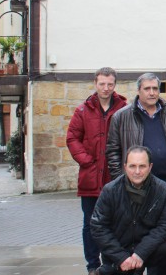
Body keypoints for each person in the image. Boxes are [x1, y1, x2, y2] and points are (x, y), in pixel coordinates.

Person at [66, 67, 129, 275]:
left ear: (115, 85)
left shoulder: (123, 108)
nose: (106, 88)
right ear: (95, 83)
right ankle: (92, 265)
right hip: (91, 178)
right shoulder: (83, 110)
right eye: (102, 84)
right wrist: (86, 161)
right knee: (90, 224)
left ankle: (110, 261)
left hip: (114, 176)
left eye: (110, 84)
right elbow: (72, 138)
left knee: (115, 223)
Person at [91, 146, 166, 274]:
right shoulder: (110, 191)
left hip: (147, 248)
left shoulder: (164, 190)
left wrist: (140, 253)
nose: (137, 171)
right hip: (118, 250)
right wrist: (121, 257)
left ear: (150, 167)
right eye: (132, 166)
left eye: (142, 166)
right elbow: (98, 227)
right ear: (125, 166)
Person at [107, 73, 166, 194]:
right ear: (138, 91)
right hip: (136, 185)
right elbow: (113, 153)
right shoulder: (121, 116)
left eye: (155, 88)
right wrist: (120, 182)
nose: (152, 93)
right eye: (147, 89)